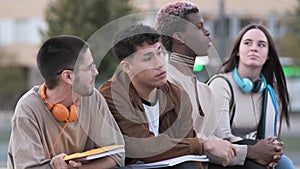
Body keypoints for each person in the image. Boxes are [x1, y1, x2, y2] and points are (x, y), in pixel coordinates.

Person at [7, 35, 125, 169]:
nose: (96, 72)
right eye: (89, 67)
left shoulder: (93, 98)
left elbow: (117, 154)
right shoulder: (28, 109)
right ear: (68, 76)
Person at [99, 23, 206, 168]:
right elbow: (144, 148)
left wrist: (199, 148)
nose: (160, 63)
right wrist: (204, 145)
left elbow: (189, 151)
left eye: (159, 53)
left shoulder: (177, 95)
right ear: (127, 67)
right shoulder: (111, 95)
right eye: (148, 58)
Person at [155, 1, 237, 167]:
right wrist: (250, 152)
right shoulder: (164, 82)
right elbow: (177, 142)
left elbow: (217, 143)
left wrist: (253, 151)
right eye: (199, 27)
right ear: (179, 37)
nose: (207, 32)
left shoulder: (205, 90)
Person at [208, 23, 295, 168]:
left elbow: (270, 138)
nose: (254, 48)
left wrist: (272, 153)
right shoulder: (221, 84)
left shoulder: (269, 91)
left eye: (261, 45)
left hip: (248, 152)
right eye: (247, 43)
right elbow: (221, 137)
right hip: (221, 156)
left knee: (285, 164)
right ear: (237, 51)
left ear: (268, 55)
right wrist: (255, 150)